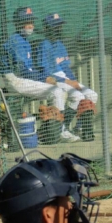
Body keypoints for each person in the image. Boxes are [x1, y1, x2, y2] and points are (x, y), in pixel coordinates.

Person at [0, 7, 80, 143]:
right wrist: (44, 78)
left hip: (21, 79)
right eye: (27, 22)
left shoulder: (23, 40)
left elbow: (29, 71)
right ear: (18, 23)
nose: (31, 25)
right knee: (56, 92)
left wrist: (45, 78)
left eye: (32, 21)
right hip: (14, 79)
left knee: (59, 90)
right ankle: (58, 132)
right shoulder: (16, 41)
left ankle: (50, 131)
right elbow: (23, 71)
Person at [38, 13, 98, 142]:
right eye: (55, 26)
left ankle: (79, 128)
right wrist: (67, 81)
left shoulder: (60, 44)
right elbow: (45, 72)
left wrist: (74, 81)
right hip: (53, 79)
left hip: (65, 78)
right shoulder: (44, 45)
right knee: (77, 96)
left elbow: (65, 68)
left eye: (59, 26)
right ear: (48, 28)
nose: (59, 29)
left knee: (92, 95)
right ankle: (62, 129)